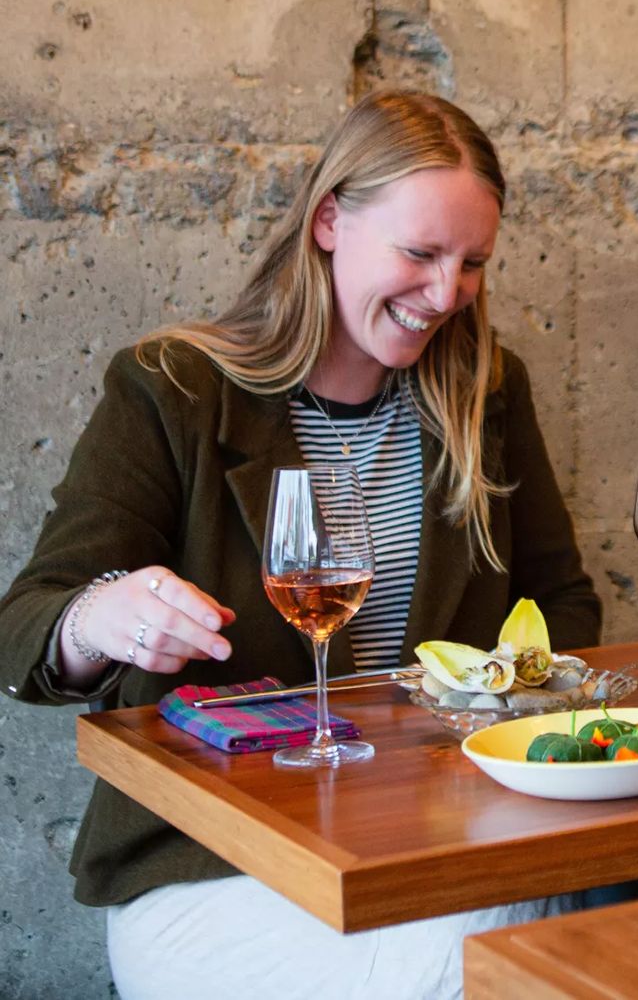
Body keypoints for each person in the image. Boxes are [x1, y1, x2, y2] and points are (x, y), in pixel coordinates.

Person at [0, 90, 604, 1000]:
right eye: (420, 253)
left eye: (472, 262)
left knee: (600, 904)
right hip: (216, 869)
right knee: (500, 948)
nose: (448, 295)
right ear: (329, 221)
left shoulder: (485, 389)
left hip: (430, 840)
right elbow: (27, 627)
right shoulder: (174, 390)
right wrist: (101, 621)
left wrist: (492, 719)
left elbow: (562, 605)